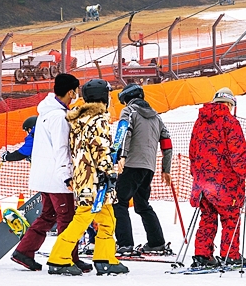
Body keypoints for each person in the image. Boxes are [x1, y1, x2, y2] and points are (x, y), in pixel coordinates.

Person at [46, 79, 129, 276]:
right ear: (103, 96)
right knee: (82, 219)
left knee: (108, 219)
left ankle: (105, 258)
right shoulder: (98, 119)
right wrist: (109, 171)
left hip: (84, 177)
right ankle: (58, 258)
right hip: (95, 180)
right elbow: (101, 149)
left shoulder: (79, 121)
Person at [10, 73, 87, 273]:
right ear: (71, 91)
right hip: (57, 177)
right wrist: (66, 175)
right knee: (67, 218)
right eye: (76, 90)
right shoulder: (59, 117)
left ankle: (25, 251)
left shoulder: (46, 112)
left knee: (48, 215)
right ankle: (67, 257)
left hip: (45, 175)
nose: (76, 94)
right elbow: (61, 148)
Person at [188, 88, 246, 267]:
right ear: (229, 104)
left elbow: (193, 152)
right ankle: (231, 255)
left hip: (203, 182)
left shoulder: (200, 122)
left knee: (207, 217)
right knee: (230, 218)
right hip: (225, 183)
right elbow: (237, 154)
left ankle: (203, 256)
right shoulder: (230, 122)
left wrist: (197, 175)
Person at [113, 83, 173, 255]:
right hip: (148, 167)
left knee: (119, 202)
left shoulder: (129, 112)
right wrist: (165, 169)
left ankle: (125, 244)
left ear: (127, 98)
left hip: (131, 164)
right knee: (142, 204)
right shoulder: (157, 117)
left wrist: (121, 156)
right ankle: (156, 242)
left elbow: (125, 133)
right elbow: (167, 143)